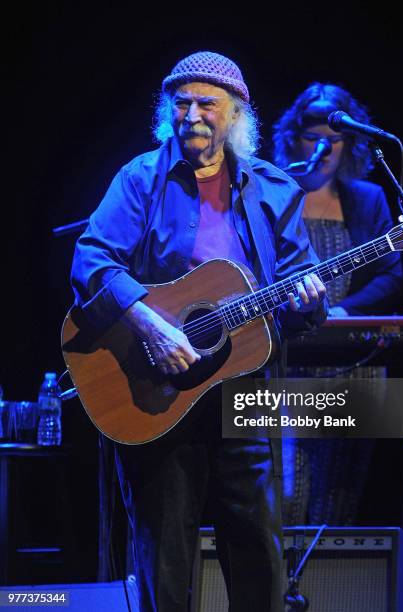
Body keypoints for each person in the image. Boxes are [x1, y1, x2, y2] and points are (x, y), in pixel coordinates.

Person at [70, 52, 328, 612]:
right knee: (165, 562)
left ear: (235, 114)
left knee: (259, 552)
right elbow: (91, 261)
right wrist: (151, 324)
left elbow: (295, 294)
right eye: (180, 103)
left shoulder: (274, 190)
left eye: (206, 104)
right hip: (159, 391)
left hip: (244, 387)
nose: (192, 115)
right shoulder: (141, 178)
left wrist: (310, 300)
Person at [273, 83, 403, 526]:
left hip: (352, 364)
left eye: (335, 137)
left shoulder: (368, 198)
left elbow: (392, 273)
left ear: (350, 142)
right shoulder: (273, 193)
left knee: (339, 497)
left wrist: (346, 311)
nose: (323, 147)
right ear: (294, 138)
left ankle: (328, 593)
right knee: (286, 492)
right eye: (313, 136)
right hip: (285, 362)